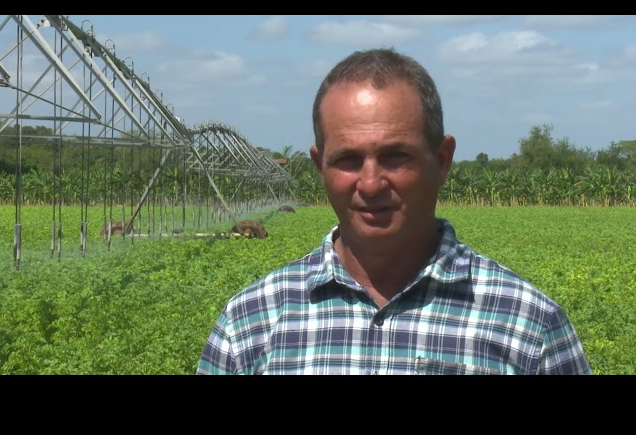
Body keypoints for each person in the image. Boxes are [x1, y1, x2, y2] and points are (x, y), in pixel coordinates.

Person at [196, 47, 592, 375]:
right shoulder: (250, 325)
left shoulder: (529, 325)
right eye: (348, 160)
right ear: (320, 167)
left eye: (395, 156)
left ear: (442, 159)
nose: (370, 184)